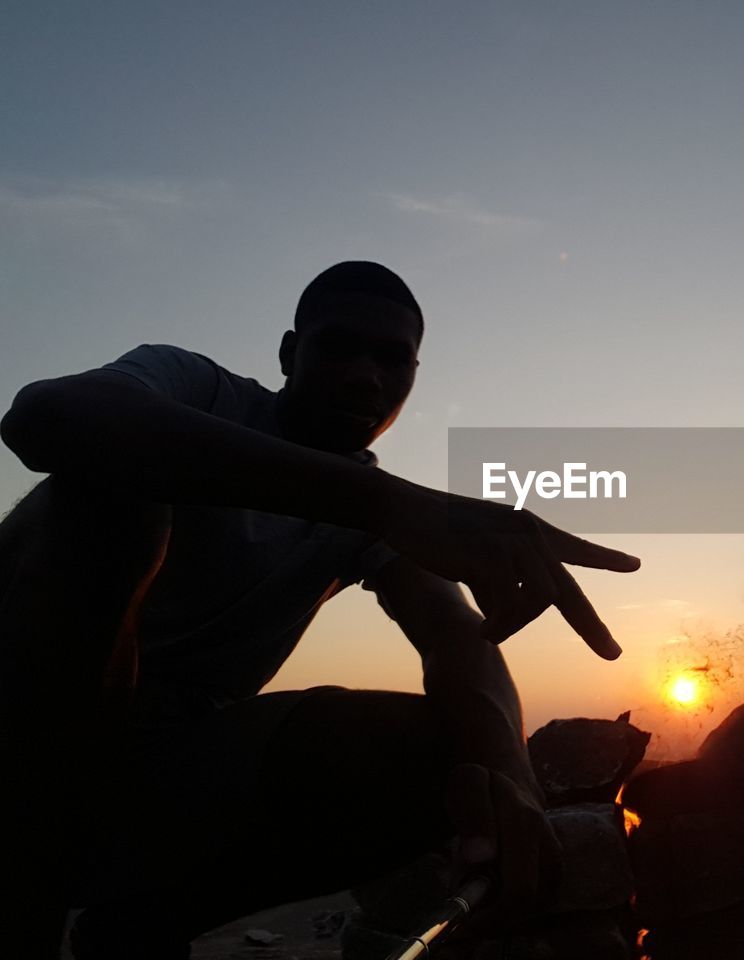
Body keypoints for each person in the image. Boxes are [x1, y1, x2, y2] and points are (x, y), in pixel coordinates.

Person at [0, 261, 641, 959]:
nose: (367, 377)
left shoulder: (371, 512)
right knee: (113, 492)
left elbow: (456, 634)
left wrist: (512, 788)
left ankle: (145, 921)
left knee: (442, 754)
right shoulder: (197, 390)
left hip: (160, 763)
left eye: (394, 359)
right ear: (287, 353)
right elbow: (46, 417)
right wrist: (387, 503)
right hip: (24, 730)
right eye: (339, 347)